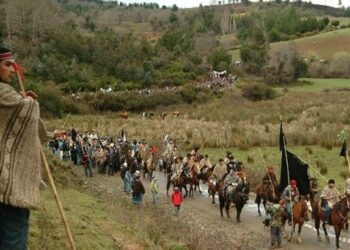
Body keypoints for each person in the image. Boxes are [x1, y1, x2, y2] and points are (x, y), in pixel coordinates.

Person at [0, 46, 48, 249]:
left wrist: (23, 102)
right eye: (7, 64)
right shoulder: (3, 93)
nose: (13, 70)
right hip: (10, 194)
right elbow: (31, 117)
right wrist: (28, 103)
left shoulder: (9, 96)